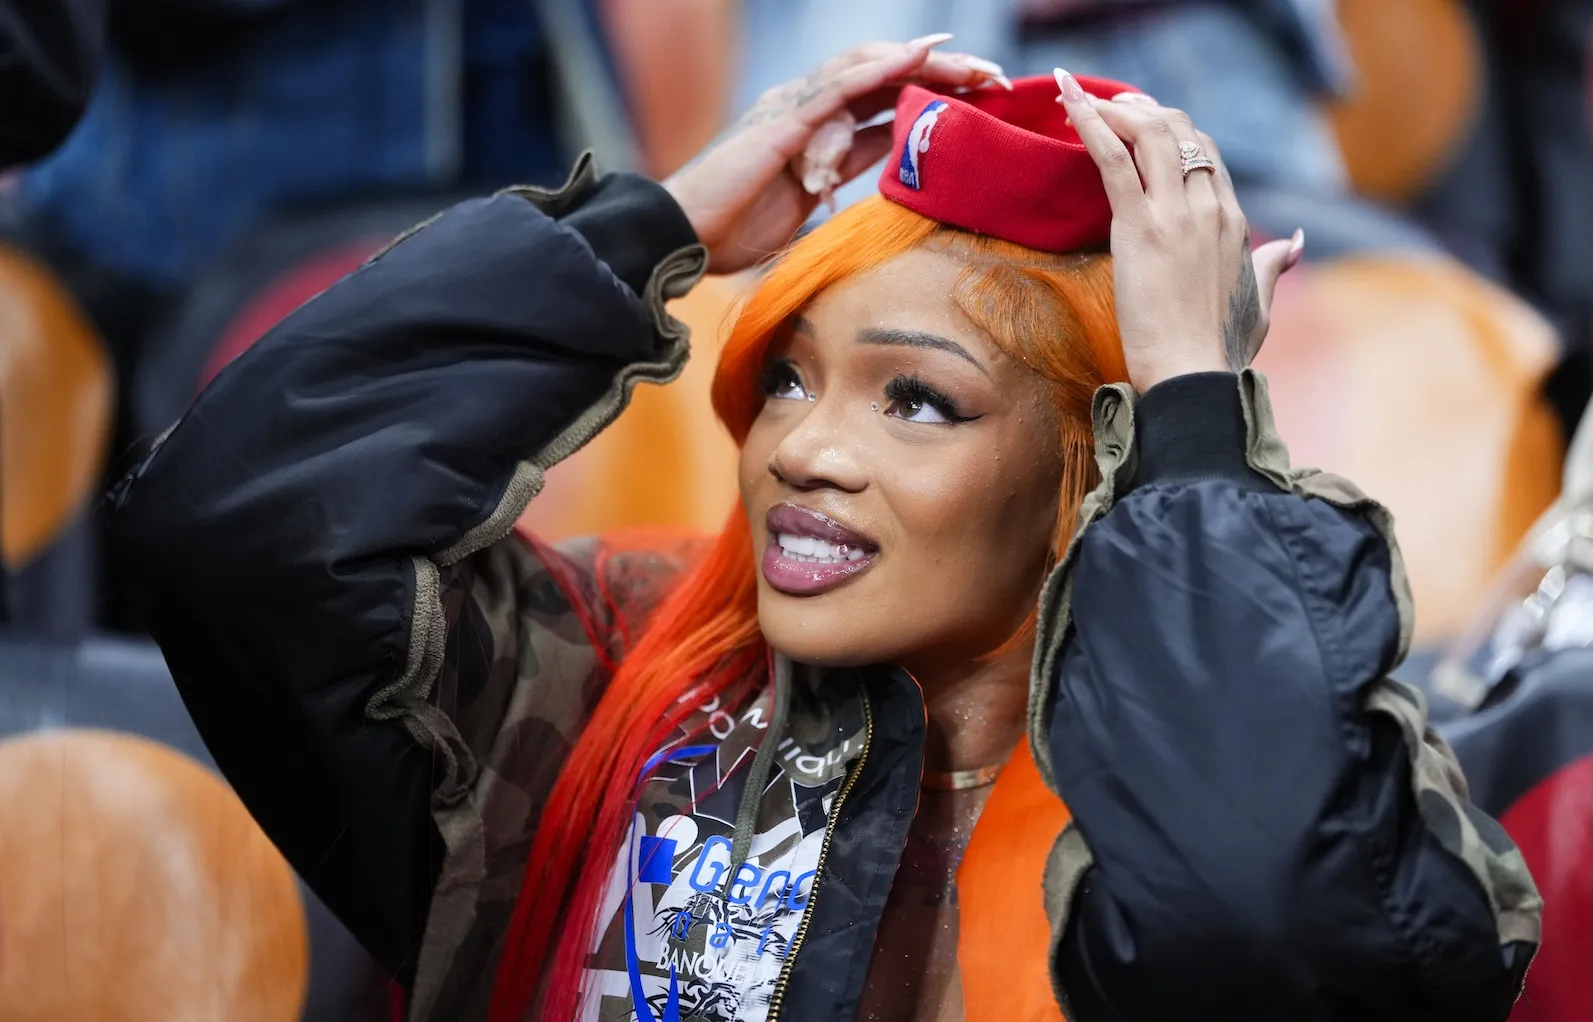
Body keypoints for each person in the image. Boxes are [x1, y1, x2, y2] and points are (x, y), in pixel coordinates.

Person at [107, 38, 1540, 1022]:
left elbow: (1263, 921)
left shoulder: (1306, 784)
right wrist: (640, 230)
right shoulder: (608, 679)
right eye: (786, 371)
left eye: (917, 401)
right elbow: (238, 522)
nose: (802, 448)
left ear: (1090, 468)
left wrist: (1194, 421)